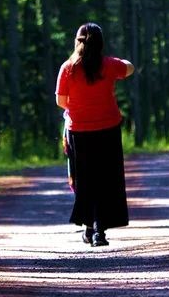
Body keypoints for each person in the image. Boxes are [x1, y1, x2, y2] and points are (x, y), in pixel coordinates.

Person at [55, 23, 134, 248]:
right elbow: (130, 68)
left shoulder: (68, 68)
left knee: (85, 180)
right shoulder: (109, 65)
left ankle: (89, 226)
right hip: (108, 130)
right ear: (100, 43)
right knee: (107, 180)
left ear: (77, 42)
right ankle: (100, 231)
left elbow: (61, 101)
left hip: (78, 132)